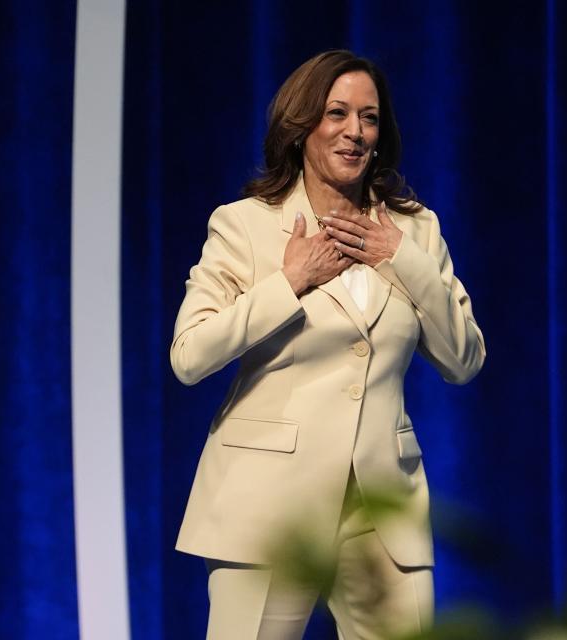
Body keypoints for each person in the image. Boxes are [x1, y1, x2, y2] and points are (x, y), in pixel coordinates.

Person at [169, 49, 485, 639]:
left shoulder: (415, 229)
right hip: (268, 505)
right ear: (301, 125)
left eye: (368, 117)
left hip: (380, 506)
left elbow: (464, 360)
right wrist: (288, 282)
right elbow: (188, 356)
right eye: (336, 113)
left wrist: (402, 259)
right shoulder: (244, 225)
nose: (355, 131)